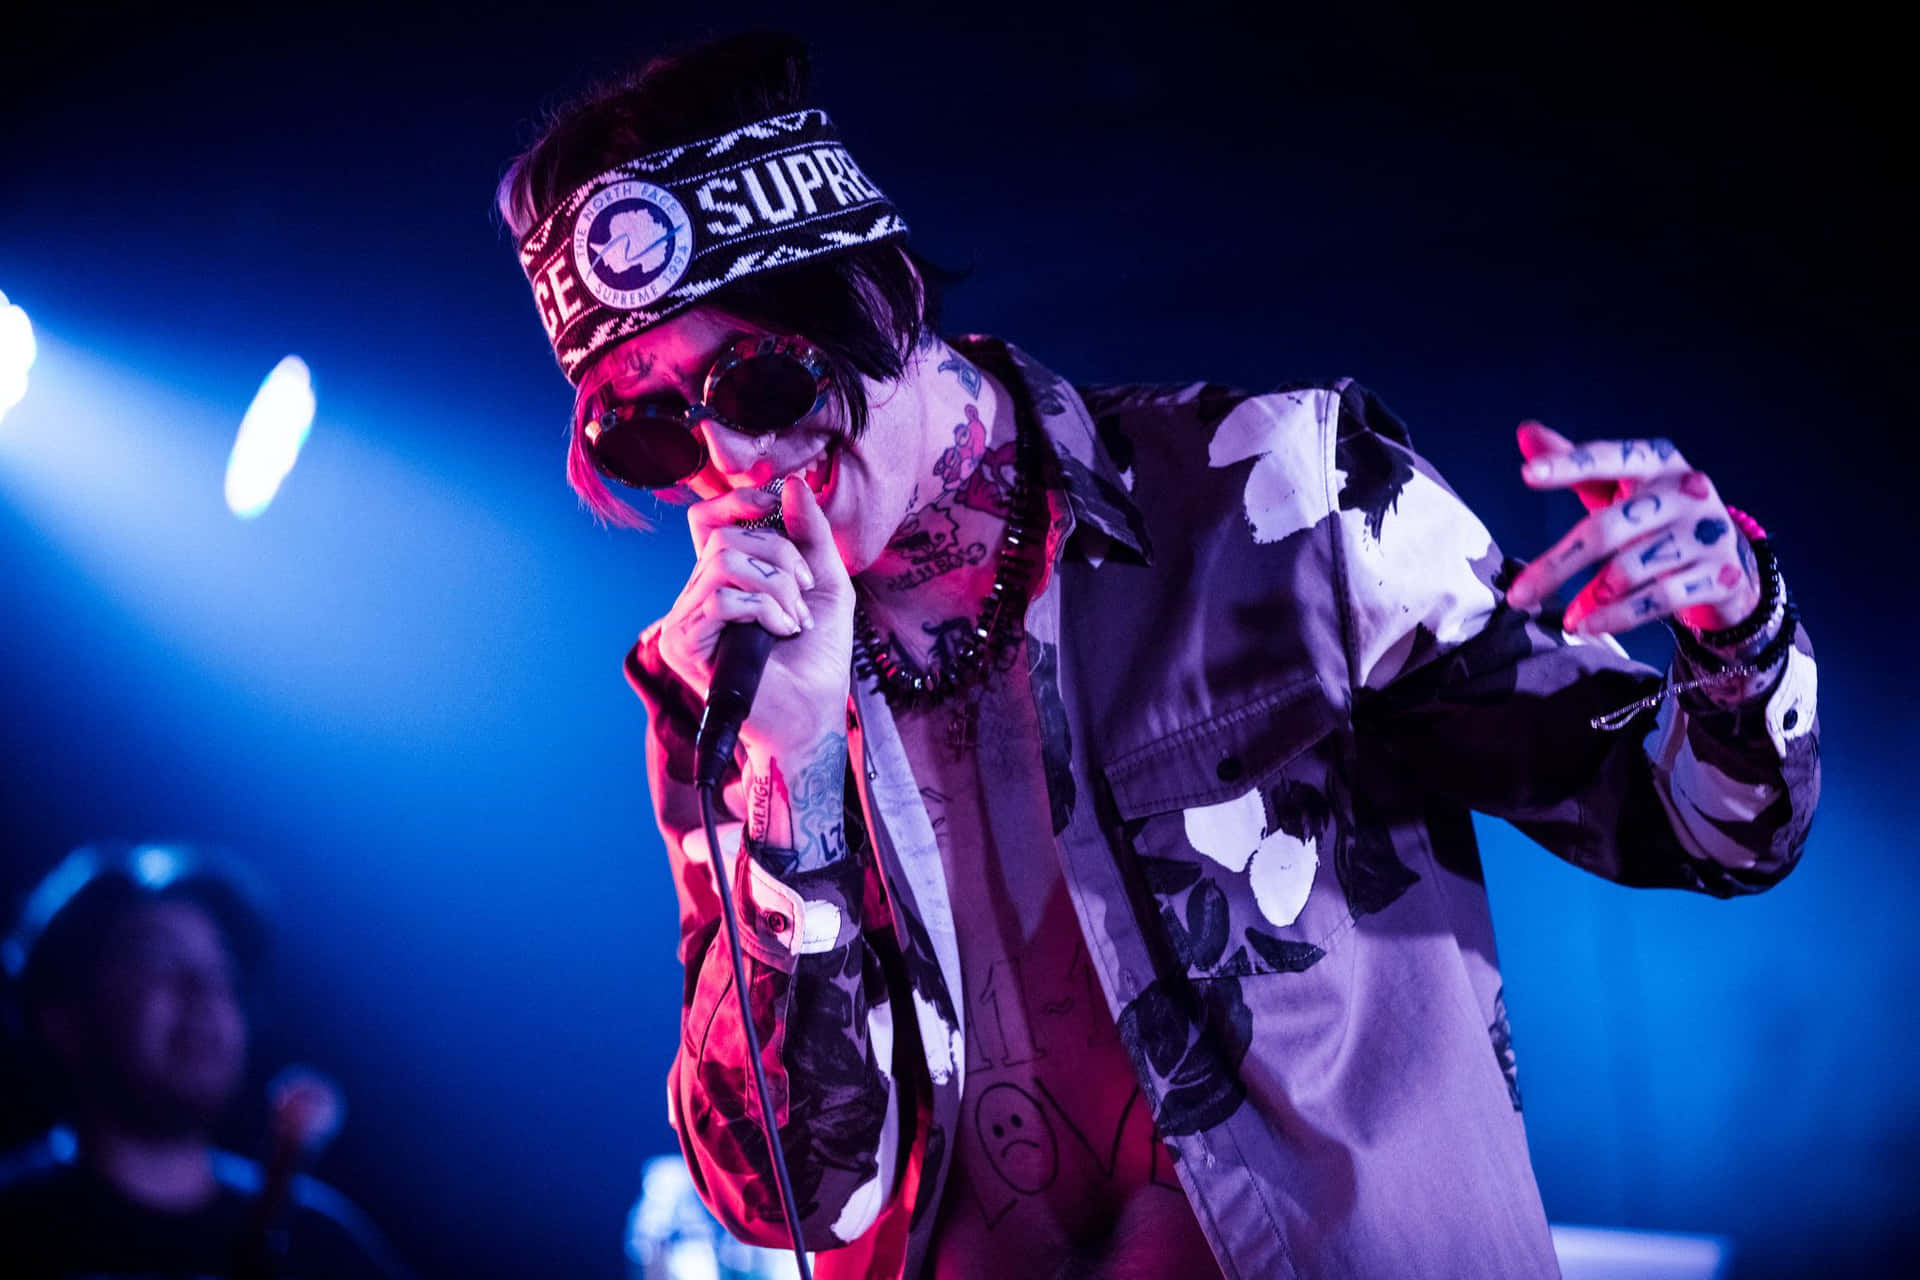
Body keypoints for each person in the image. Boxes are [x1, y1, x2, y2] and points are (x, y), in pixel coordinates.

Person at [495, 30, 1819, 1280]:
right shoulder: (717, 688)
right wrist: (788, 787)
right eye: (649, 431)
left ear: (874, 302)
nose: (727, 462)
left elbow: (1701, 831)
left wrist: (1734, 629)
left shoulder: (1278, 494)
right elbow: (792, 1196)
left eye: (757, 385)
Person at [0, 841, 412, 1279]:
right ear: (63, 1014)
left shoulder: (323, 1247)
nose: (206, 992)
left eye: (222, 971)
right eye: (161, 961)